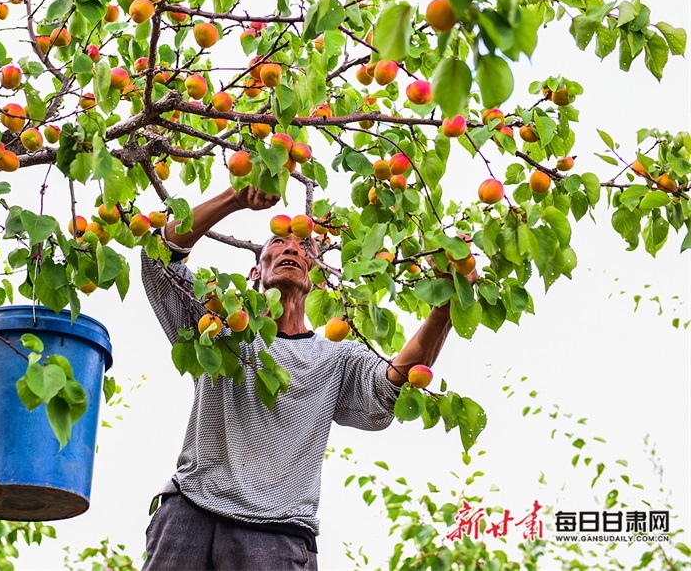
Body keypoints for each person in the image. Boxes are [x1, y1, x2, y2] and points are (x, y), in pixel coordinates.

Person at [140, 186, 474, 571]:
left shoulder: (336, 357)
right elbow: (159, 258)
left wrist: (446, 307)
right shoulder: (218, 328)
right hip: (191, 513)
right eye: (279, 243)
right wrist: (236, 197)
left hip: (276, 535)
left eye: (304, 249)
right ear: (256, 271)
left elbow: (389, 387)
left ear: (314, 275)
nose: (292, 250)